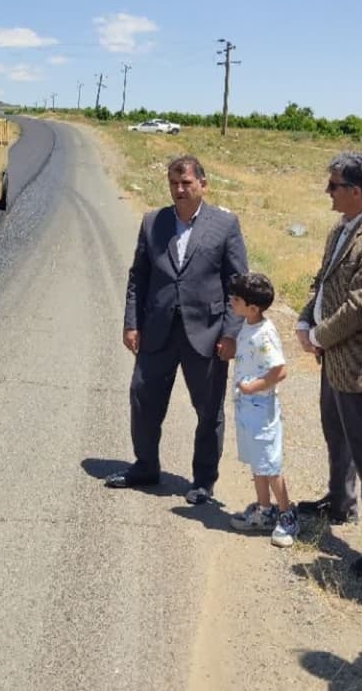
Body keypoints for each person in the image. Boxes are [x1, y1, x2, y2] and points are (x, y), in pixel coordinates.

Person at [111, 154, 249, 505]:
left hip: (206, 333)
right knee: (142, 399)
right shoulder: (153, 221)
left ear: (203, 184)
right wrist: (132, 323)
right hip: (157, 330)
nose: (179, 189)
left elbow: (237, 284)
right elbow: (137, 277)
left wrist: (231, 333)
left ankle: (203, 481)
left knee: (208, 410)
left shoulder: (224, 225)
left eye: (186, 183)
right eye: (174, 182)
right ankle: (145, 467)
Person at [295, 151, 362, 576]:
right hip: (333, 360)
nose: (327, 191)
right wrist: (306, 317)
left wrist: (317, 335)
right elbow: (324, 283)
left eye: (334, 185)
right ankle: (339, 503)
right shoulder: (343, 227)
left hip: (360, 368)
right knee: (335, 436)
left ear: (356, 191)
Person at [226, 273, 299, 547]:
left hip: (261, 407)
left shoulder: (265, 333)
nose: (231, 302)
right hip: (247, 407)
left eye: (236, 299)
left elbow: (279, 370)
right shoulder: (248, 324)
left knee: (270, 463)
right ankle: (264, 509)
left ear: (253, 307)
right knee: (258, 461)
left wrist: (253, 387)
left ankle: (286, 513)